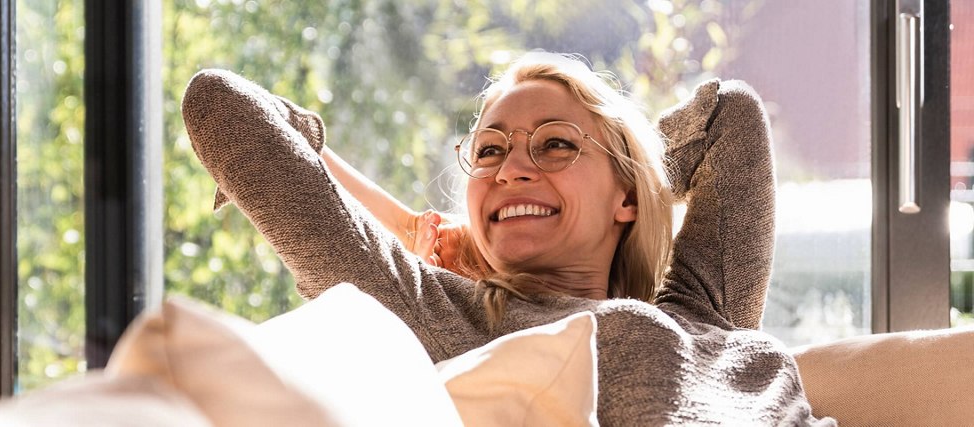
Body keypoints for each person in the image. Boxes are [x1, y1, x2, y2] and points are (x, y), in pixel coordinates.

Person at [182, 52, 831, 424]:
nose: (512, 166)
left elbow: (731, 118)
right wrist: (437, 239)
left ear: (629, 194)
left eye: (554, 142)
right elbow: (222, 108)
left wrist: (621, 160)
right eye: (489, 151)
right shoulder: (436, 313)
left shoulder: (703, 302)